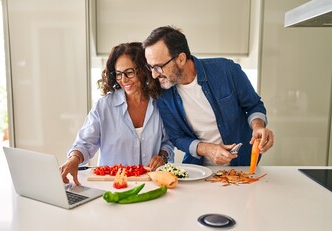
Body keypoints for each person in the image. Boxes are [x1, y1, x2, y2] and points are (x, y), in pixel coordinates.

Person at [142, 26, 274, 166]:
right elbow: (177, 137)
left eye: (158, 67)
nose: (154, 75)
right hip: (198, 169)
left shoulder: (226, 70)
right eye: (150, 67)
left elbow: (253, 105)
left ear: (181, 59)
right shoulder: (163, 94)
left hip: (243, 165)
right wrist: (207, 150)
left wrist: (258, 127)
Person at [60, 42, 174, 185]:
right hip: (112, 186)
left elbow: (168, 141)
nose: (124, 80)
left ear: (144, 70)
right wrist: (73, 160)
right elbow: (85, 142)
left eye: (129, 72)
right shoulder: (104, 107)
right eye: (118, 74)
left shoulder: (160, 103)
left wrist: (162, 156)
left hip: (152, 184)